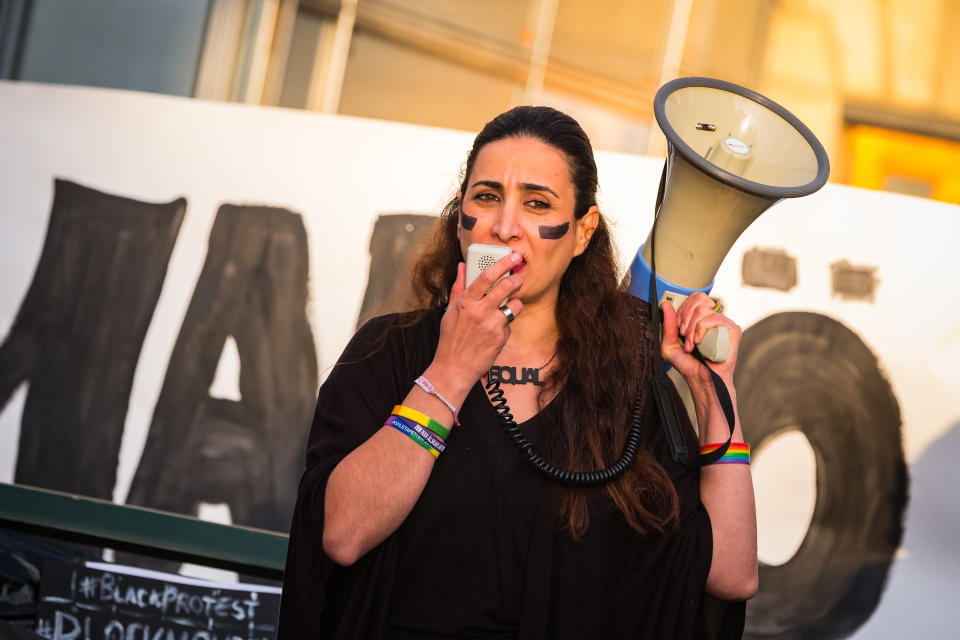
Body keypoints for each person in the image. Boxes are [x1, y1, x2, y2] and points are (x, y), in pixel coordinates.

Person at [278, 106, 757, 639]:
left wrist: (714, 393)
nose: (506, 227)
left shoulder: (627, 384)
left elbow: (731, 575)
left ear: (582, 232)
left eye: (537, 204)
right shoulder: (390, 351)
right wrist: (451, 371)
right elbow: (342, 535)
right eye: (486, 197)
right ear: (460, 216)